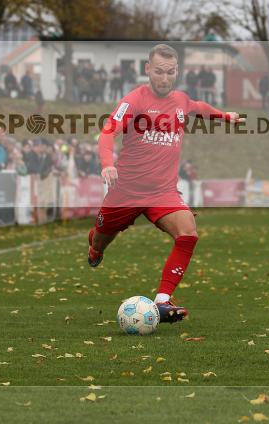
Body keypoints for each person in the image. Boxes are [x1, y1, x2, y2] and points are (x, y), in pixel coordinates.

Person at [88, 44, 243, 324]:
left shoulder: (181, 100)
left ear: (177, 72)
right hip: (127, 192)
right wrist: (107, 164)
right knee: (101, 237)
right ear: (148, 69)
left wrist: (224, 116)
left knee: (188, 233)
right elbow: (108, 131)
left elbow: (198, 107)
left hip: (163, 192)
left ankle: (162, 300)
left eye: (170, 72)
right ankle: (96, 248)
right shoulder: (134, 100)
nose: (164, 77)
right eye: (159, 71)